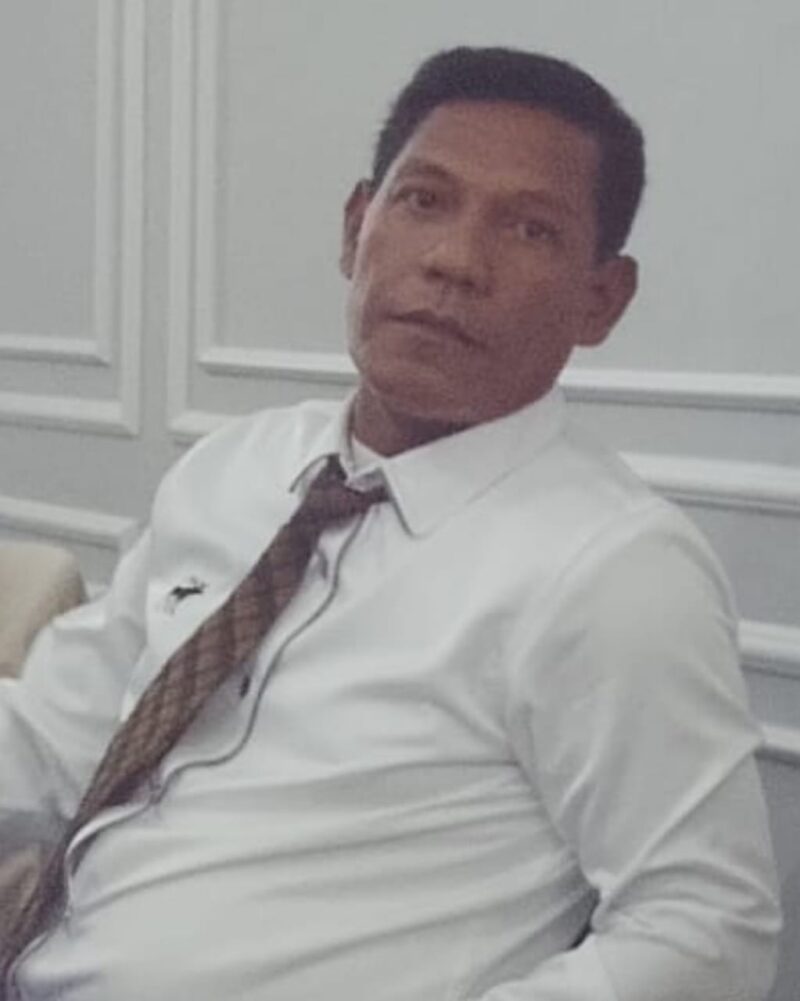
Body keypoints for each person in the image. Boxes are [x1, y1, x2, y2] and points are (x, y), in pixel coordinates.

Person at [0, 46, 781, 1001]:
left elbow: (708, 928)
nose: (456, 260)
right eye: (424, 201)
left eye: (530, 229)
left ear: (600, 299)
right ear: (356, 226)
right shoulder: (234, 468)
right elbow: (57, 731)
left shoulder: (613, 569)